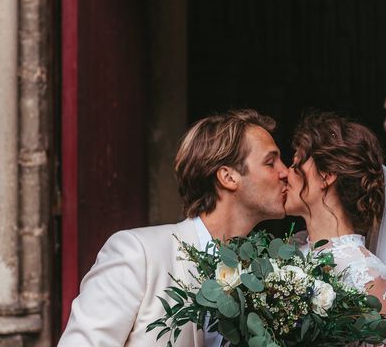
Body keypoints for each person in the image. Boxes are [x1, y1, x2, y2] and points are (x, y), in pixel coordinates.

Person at [58, 109, 289, 347]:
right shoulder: (139, 254)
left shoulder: (261, 277)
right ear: (228, 177)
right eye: (270, 162)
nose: (286, 172)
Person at [285, 112, 386, 347]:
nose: (285, 174)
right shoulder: (286, 256)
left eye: (296, 165)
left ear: (326, 175)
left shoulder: (369, 280)